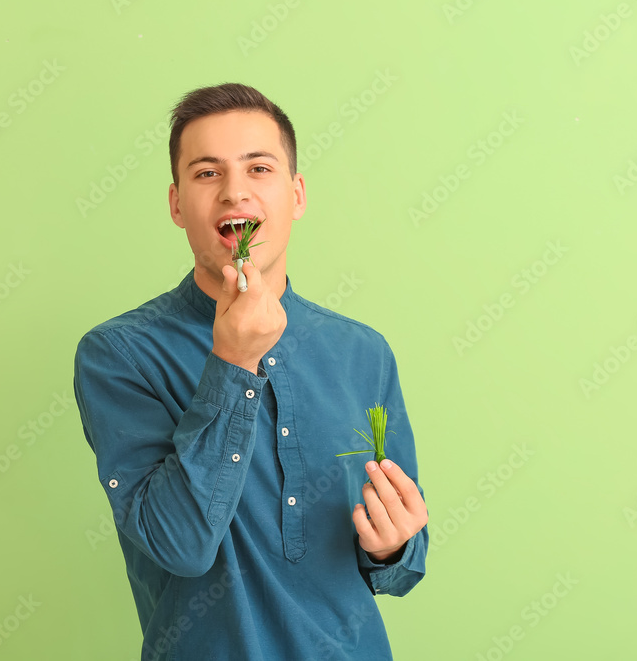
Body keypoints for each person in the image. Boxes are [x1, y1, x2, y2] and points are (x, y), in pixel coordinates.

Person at [72, 83, 428, 660]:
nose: (235, 192)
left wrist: (393, 547)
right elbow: (178, 546)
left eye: (258, 168)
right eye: (207, 173)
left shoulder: (363, 352)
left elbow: (403, 564)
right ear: (177, 204)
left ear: (297, 194)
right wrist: (233, 363)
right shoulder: (120, 354)